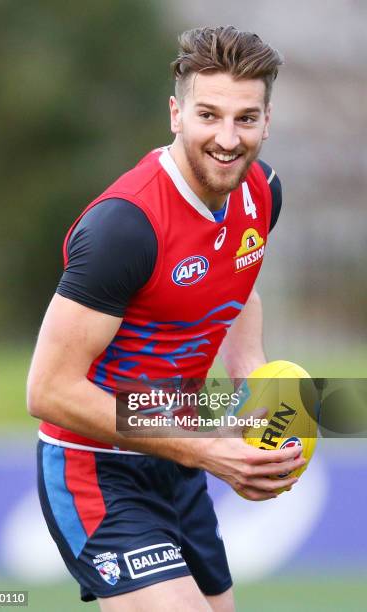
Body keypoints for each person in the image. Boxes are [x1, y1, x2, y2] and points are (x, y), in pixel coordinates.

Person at [27, 25, 306, 612]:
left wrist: (250, 374)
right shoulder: (124, 228)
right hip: (96, 471)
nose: (227, 139)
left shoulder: (262, 191)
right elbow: (49, 390)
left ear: (267, 120)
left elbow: (238, 277)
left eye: (246, 119)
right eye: (209, 115)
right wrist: (205, 450)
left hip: (180, 457)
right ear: (176, 114)